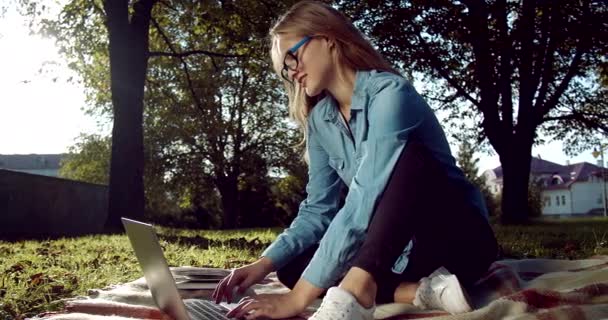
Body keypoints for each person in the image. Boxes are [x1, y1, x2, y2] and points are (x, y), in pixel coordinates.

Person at [212, 1, 498, 319]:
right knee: (293, 266)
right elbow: (318, 210)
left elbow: (364, 198)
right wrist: (262, 265)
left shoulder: (391, 95)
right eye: (285, 69)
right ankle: (417, 291)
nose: (292, 73)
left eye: (293, 57)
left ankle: (356, 291)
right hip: (393, 253)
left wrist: (297, 301)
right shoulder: (320, 120)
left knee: (412, 158)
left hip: (455, 238)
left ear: (327, 38)